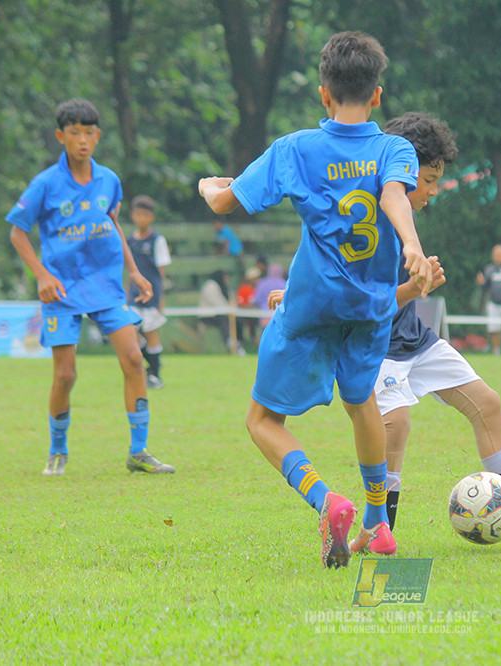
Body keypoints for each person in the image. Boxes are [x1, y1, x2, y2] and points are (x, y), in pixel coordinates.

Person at [270, 113, 501, 549]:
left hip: (415, 340)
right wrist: (409, 289)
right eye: (431, 179)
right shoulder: (372, 213)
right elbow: (354, 297)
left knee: (487, 403)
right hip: (375, 346)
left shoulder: (399, 214)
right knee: (394, 425)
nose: (434, 191)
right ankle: (378, 530)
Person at [198, 31, 433, 568]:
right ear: (378, 95)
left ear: (323, 94)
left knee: (262, 421)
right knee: (360, 403)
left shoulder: (296, 148)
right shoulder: (393, 149)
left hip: (309, 308)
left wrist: (211, 187)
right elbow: (396, 195)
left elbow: (227, 203)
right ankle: (378, 524)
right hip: (371, 309)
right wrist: (412, 245)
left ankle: (328, 502)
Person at [8, 98, 175, 476]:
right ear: (60, 137)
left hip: (105, 288)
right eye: (73, 133)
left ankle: (138, 451)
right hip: (62, 291)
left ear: (97, 137)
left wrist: (134, 271)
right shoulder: (46, 184)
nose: (81, 140)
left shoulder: (108, 180)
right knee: (66, 375)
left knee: (134, 359)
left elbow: (113, 225)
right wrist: (42, 275)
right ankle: (57, 451)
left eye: (88, 133)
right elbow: (18, 232)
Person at [126, 195, 172, 389]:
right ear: (132, 216)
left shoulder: (157, 240)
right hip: (133, 295)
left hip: (151, 296)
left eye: (145, 215)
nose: (141, 219)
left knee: (152, 332)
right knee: (131, 332)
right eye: (138, 214)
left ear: (152, 217)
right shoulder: (129, 241)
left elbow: (161, 272)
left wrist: (161, 299)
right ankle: (152, 363)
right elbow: (128, 270)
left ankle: (155, 374)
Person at [197, 269, 235, 349]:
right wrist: (228, 310)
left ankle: (238, 343)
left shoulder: (225, 288)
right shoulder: (210, 286)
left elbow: (231, 302)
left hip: (221, 313)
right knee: (224, 319)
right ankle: (228, 340)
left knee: (236, 320)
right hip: (208, 316)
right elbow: (216, 303)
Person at [235, 266, 259, 345]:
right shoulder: (243, 289)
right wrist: (250, 306)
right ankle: (242, 341)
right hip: (245, 315)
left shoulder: (259, 289)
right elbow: (240, 304)